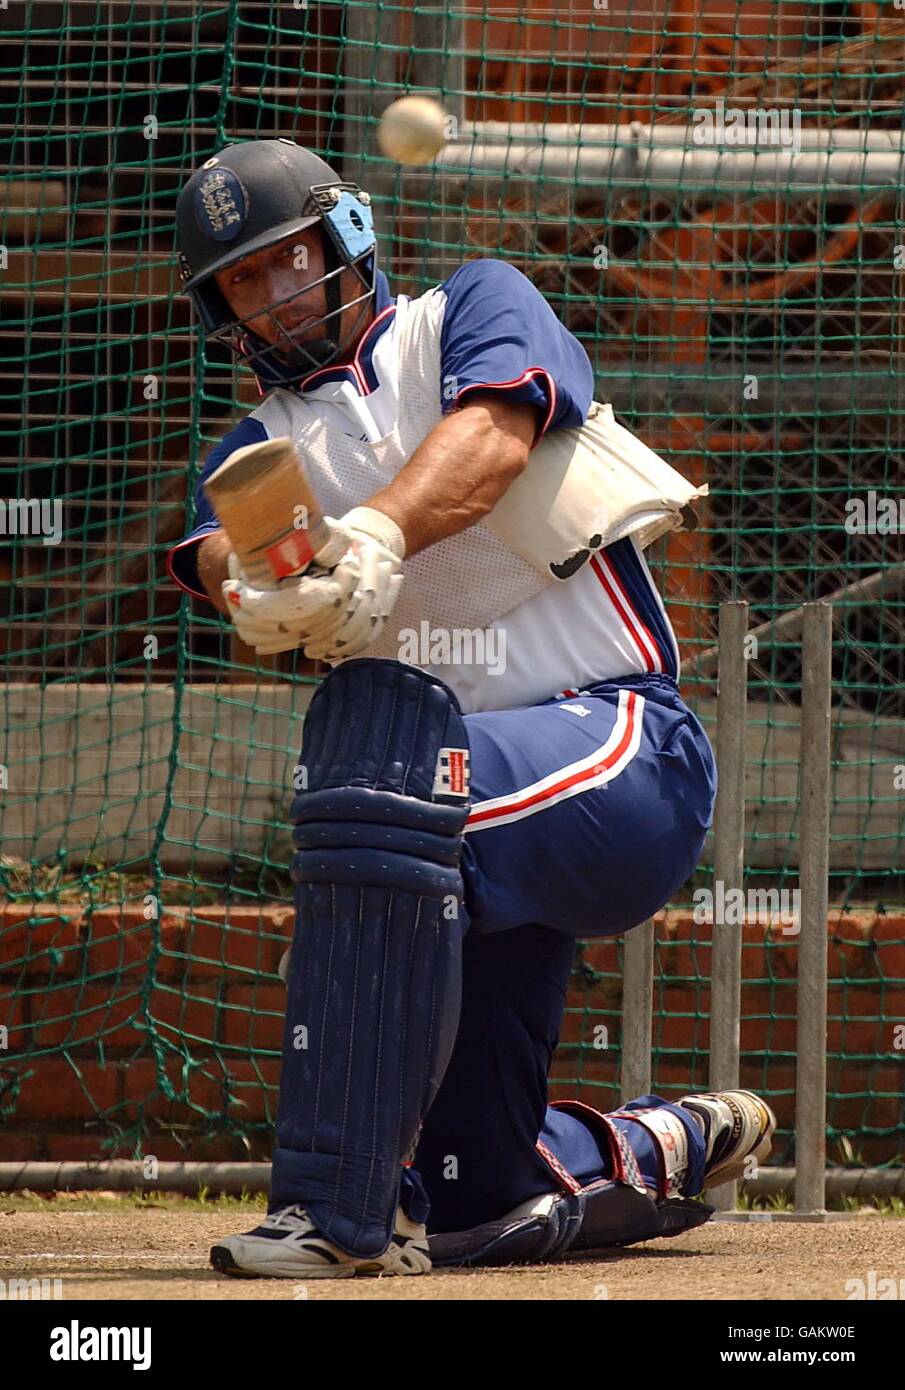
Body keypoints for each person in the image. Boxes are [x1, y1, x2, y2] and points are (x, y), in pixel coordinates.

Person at [170, 138, 775, 1279]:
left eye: (285, 259)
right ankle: (657, 1139)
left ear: (344, 240)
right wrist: (250, 586)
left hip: (624, 753)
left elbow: (494, 434)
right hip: (451, 841)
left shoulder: (466, 313)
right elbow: (221, 545)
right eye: (241, 280)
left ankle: (329, 1213)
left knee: (377, 791)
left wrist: (380, 533)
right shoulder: (259, 445)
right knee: (474, 1205)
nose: (269, 294)